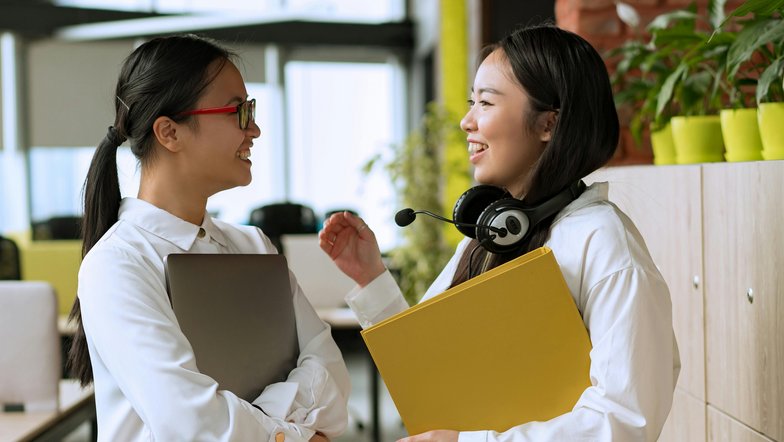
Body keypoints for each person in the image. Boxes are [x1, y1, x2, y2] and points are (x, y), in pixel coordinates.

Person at [319, 24, 679, 441]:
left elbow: (624, 420)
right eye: (472, 102)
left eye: (485, 103)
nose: (465, 120)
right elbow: (428, 365)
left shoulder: (604, 243)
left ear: (548, 124)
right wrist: (371, 277)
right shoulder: (489, 235)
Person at [67, 35, 350, 441]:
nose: (254, 129)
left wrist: (269, 427)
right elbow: (191, 424)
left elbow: (332, 373)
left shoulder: (254, 246)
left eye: (250, 110)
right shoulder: (118, 264)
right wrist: (298, 433)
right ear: (169, 132)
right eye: (238, 111)